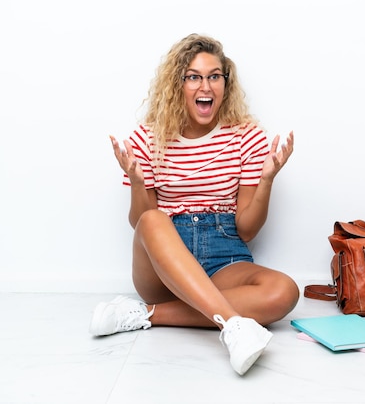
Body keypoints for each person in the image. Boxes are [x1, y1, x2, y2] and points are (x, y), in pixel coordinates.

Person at [89, 33, 300, 376]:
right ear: (178, 84)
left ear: (225, 83)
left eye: (215, 76)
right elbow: (140, 223)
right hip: (164, 263)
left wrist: (267, 180)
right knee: (154, 218)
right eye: (194, 76)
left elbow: (246, 229)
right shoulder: (147, 137)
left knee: (284, 292)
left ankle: (146, 314)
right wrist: (138, 184)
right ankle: (233, 325)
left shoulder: (245, 135)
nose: (206, 86)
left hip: (224, 255)